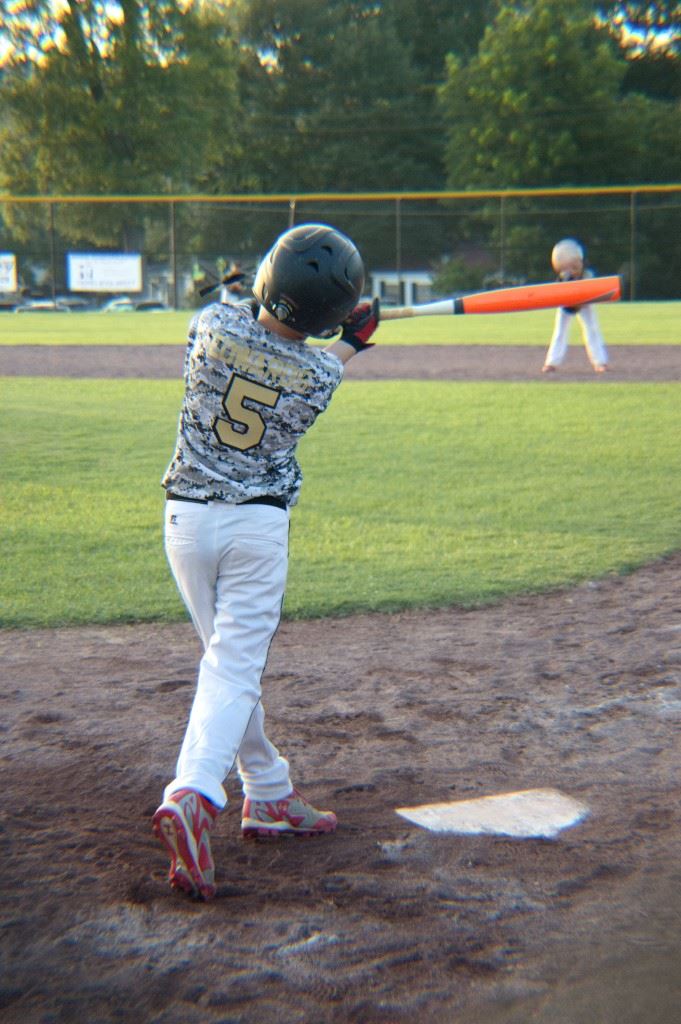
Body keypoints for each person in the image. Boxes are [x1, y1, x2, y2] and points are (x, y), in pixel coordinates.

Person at [152, 223, 380, 900]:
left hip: (185, 524)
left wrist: (260, 293)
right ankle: (192, 794)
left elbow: (241, 309)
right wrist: (356, 339)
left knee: (227, 670)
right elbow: (324, 358)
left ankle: (269, 794)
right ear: (329, 315)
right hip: (254, 528)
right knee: (233, 670)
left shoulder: (208, 326)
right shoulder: (317, 375)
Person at [541, 238, 609, 374]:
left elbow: (591, 292)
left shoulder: (587, 275)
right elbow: (559, 294)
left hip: (585, 304)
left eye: (574, 266)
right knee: (560, 330)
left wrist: (581, 301)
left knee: (592, 329)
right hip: (566, 303)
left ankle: (600, 362)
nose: (571, 270)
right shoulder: (563, 278)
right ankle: (551, 362)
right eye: (568, 267)